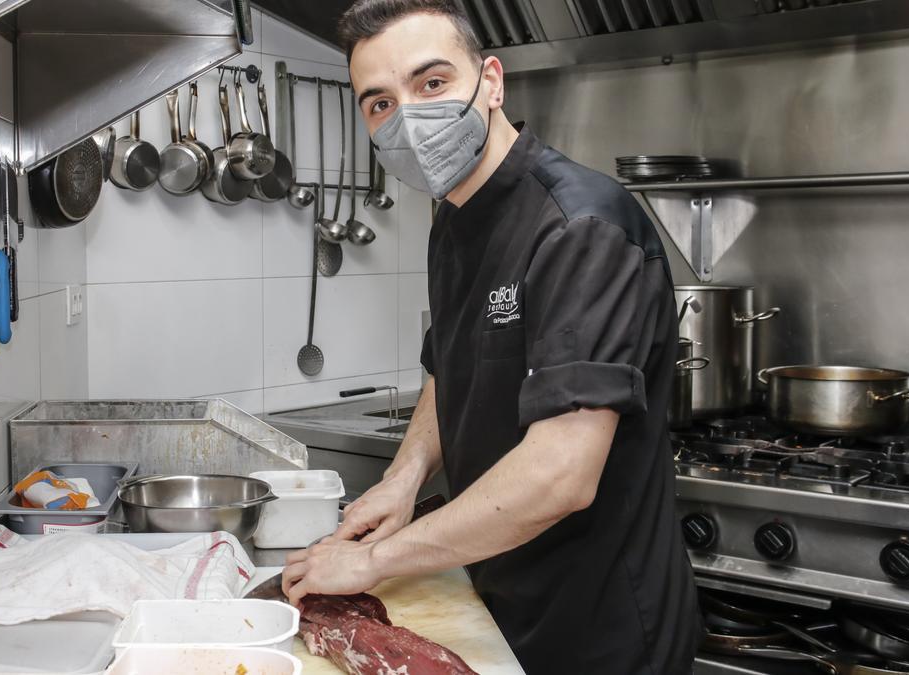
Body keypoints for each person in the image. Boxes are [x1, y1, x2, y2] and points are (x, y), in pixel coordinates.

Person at [280, 1, 702, 672]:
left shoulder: (579, 227)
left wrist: (371, 559)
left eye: (432, 83)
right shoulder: (454, 218)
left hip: (600, 627)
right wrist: (404, 477)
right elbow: (451, 368)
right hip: (500, 598)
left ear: (493, 81)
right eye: (380, 103)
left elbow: (562, 474)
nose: (410, 117)